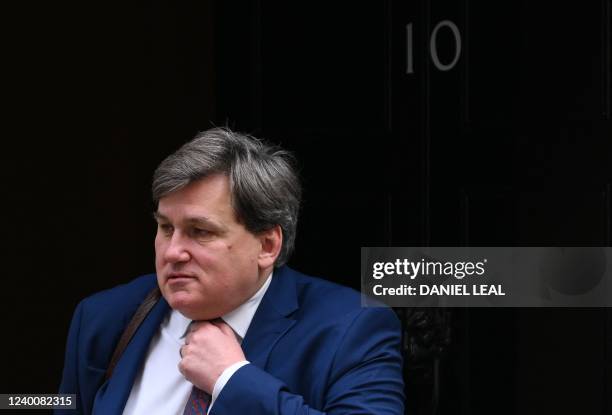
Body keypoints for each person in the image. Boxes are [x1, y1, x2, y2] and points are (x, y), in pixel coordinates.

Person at [57, 127, 405, 414]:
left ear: (267, 246)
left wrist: (231, 379)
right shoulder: (104, 317)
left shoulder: (350, 328)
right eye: (165, 228)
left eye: (200, 231)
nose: (173, 251)